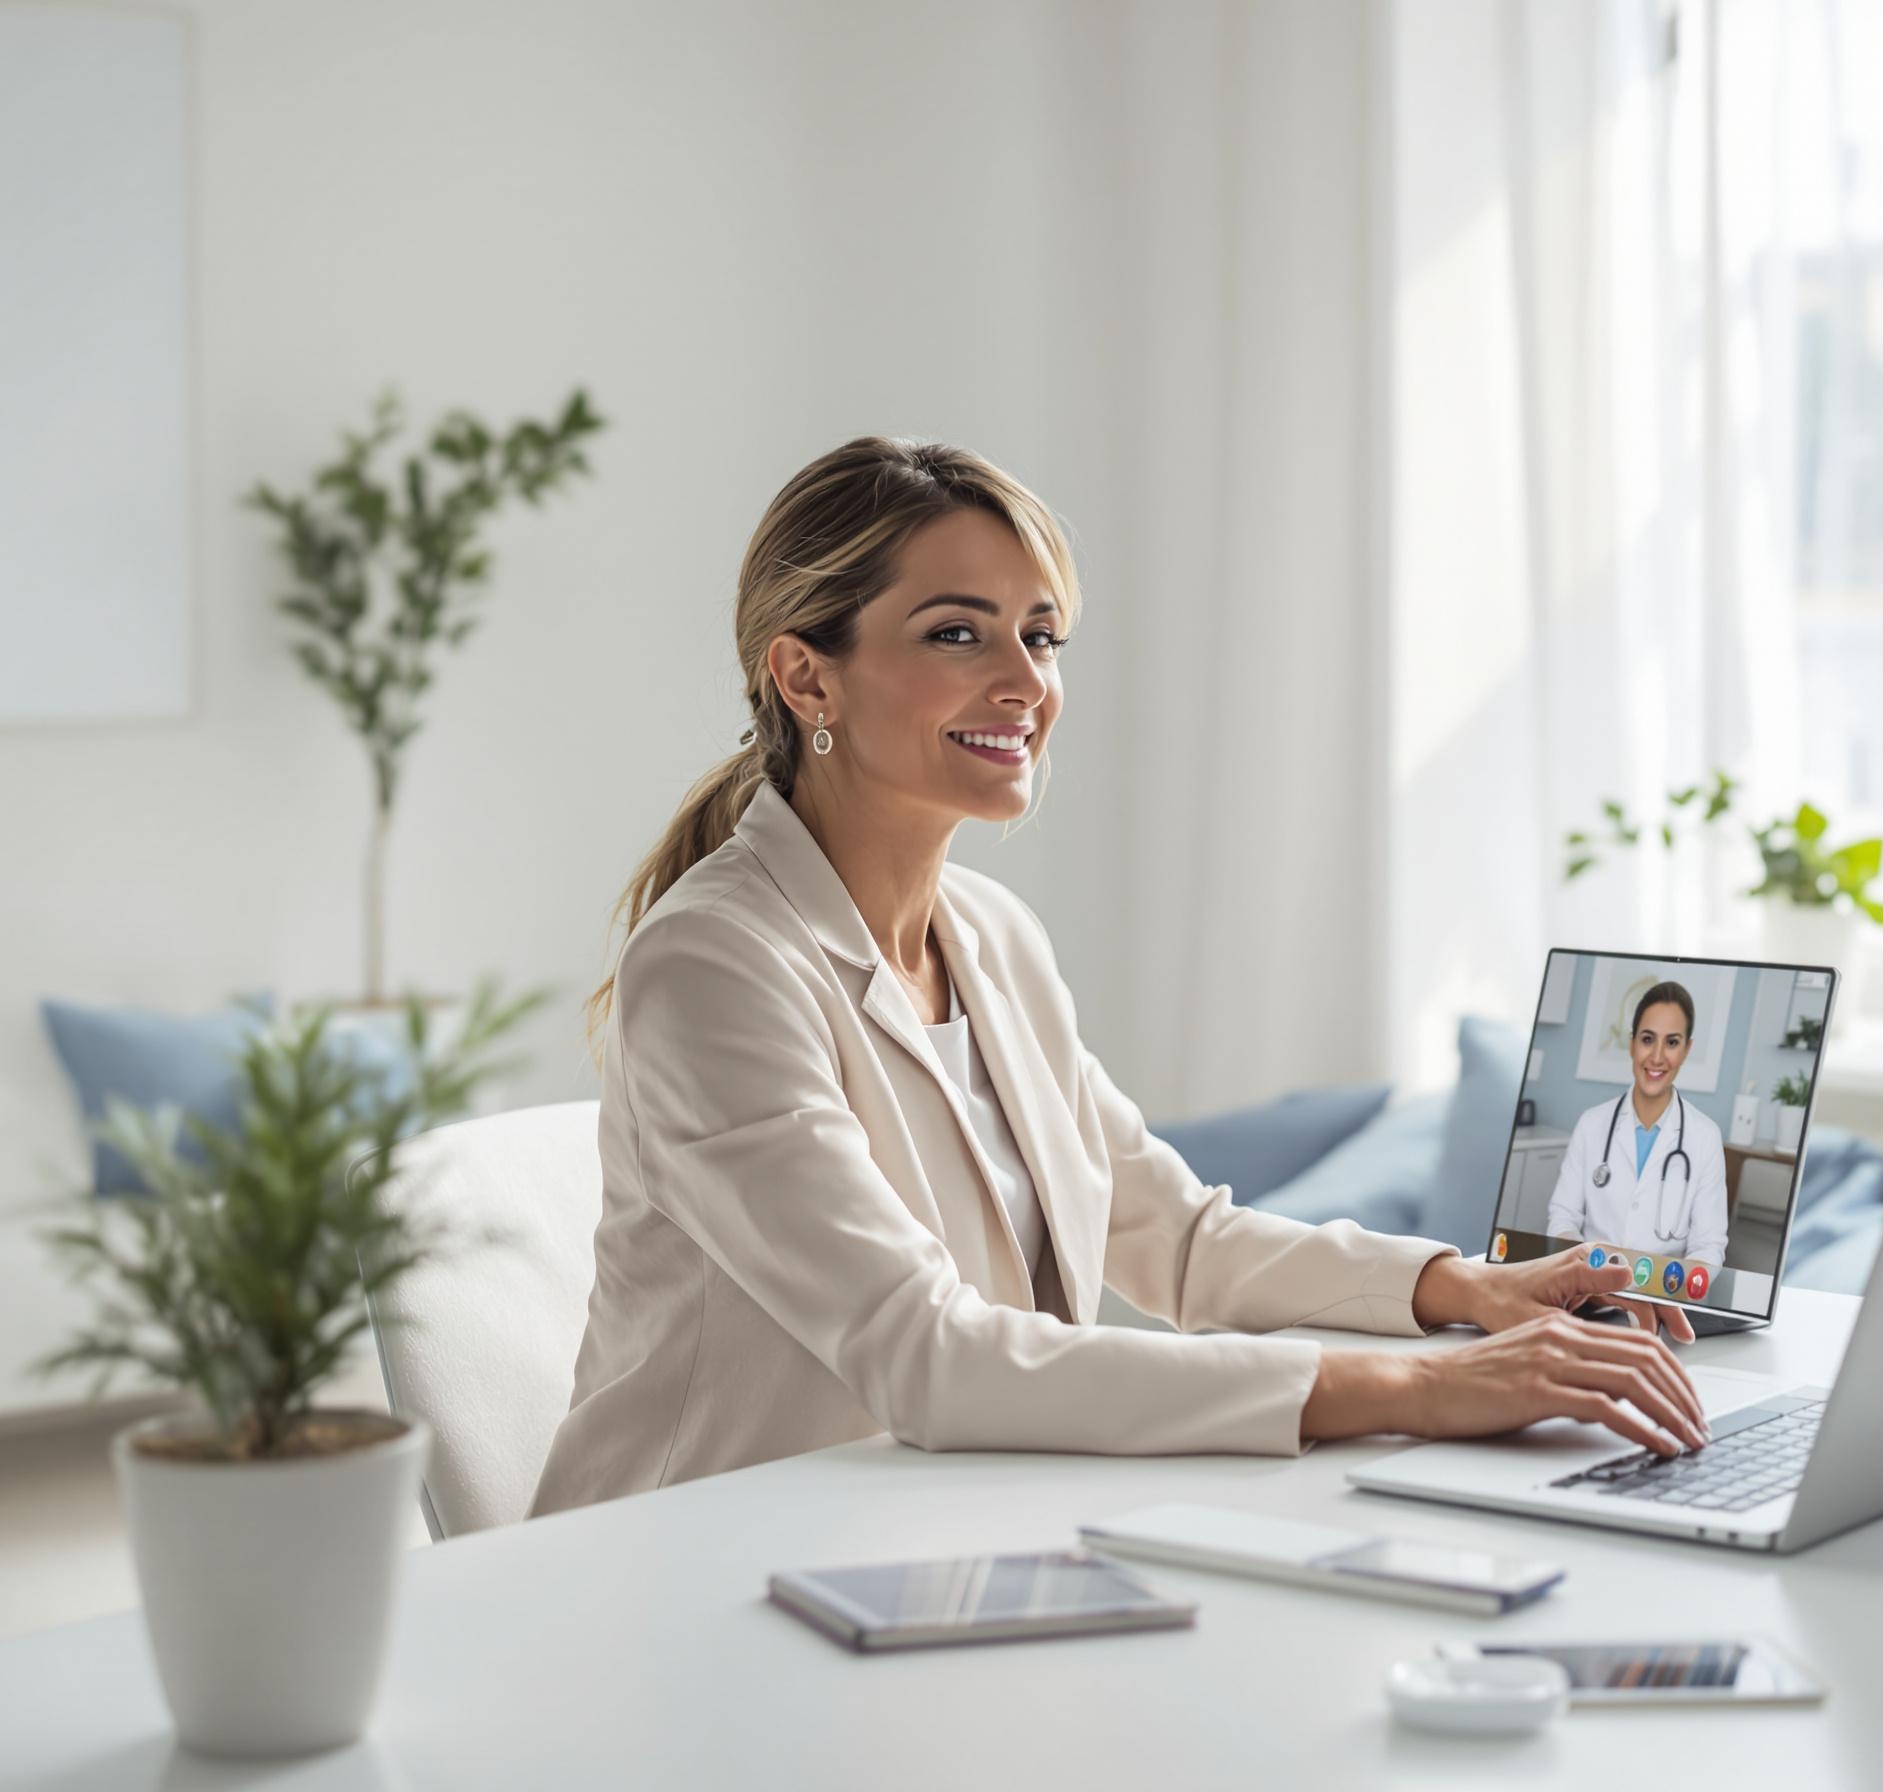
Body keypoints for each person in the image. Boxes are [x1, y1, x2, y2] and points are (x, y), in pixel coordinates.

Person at [529, 438, 1707, 1519]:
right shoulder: (713, 965)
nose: (1024, 682)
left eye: (1039, 636)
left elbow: (1183, 1245)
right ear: (807, 678)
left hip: (943, 1532)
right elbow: (929, 1356)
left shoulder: (991, 939)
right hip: (692, 1568)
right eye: (957, 633)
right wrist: (1417, 1387)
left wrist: (1468, 1293)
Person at [1545, 982, 1730, 1268]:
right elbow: (1563, 1216)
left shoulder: (1705, 1137)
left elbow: (1709, 1246)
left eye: (1671, 1042)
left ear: (1686, 1050)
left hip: (1660, 1297)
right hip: (1588, 1288)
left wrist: (1674, 1292)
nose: (1656, 1057)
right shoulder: (1591, 1124)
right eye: (1647, 1039)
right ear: (1632, 1043)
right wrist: (1582, 1269)